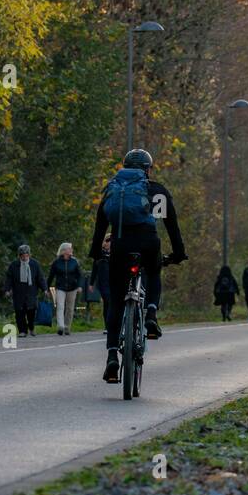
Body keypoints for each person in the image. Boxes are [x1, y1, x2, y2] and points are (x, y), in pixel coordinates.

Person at [89, 148, 187, 383]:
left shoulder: (113, 190)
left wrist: (96, 253)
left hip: (120, 246)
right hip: (148, 243)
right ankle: (151, 314)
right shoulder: (155, 190)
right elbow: (171, 226)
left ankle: (112, 355)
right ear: (147, 169)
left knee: (115, 300)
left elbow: (100, 226)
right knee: (154, 271)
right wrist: (178, 254)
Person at [6, 244, 47, 337]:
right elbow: (9, 278)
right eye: (22, 256)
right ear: (19, 256)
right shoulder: (14, 265)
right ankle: (22, 331)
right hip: (18, 292)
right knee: (19, 312)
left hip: (31, 291)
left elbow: (40, 278)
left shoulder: (34, 264)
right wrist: (7, 289)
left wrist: (44, 289)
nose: (24, 258)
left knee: (31, 312)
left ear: (29, 255)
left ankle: (31, 327)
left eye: (26, 255)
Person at [49, 242, 82, 335]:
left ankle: (67, 327)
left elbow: (79, 275)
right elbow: (51, 276)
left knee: (70, 308)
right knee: (60, 306)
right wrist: (46, 288)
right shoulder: (56, 262)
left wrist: (79, 286)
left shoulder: (74, 261)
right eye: (69, 248)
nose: (71, 250)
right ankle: (60, 326)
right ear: (64, 251)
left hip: (73, 288)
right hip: (60, 287)